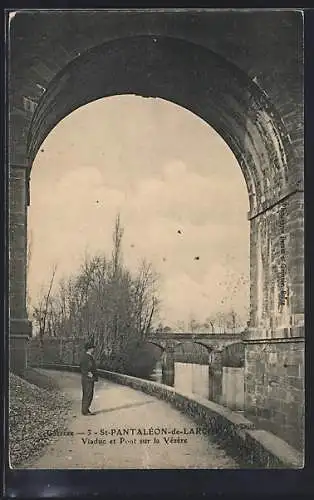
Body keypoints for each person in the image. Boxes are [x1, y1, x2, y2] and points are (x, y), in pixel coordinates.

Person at [80, 340, 98, 416]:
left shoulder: (84, 356)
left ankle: (85, 409)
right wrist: (89, 373)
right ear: (90, 349)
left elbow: (80, 366)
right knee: (88, 394)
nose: (93, 349)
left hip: (85, 378)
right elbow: (89, 366)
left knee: (86, 394)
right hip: (88, 379)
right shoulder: (88, 357)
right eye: (92, 348)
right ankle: (85, 411)